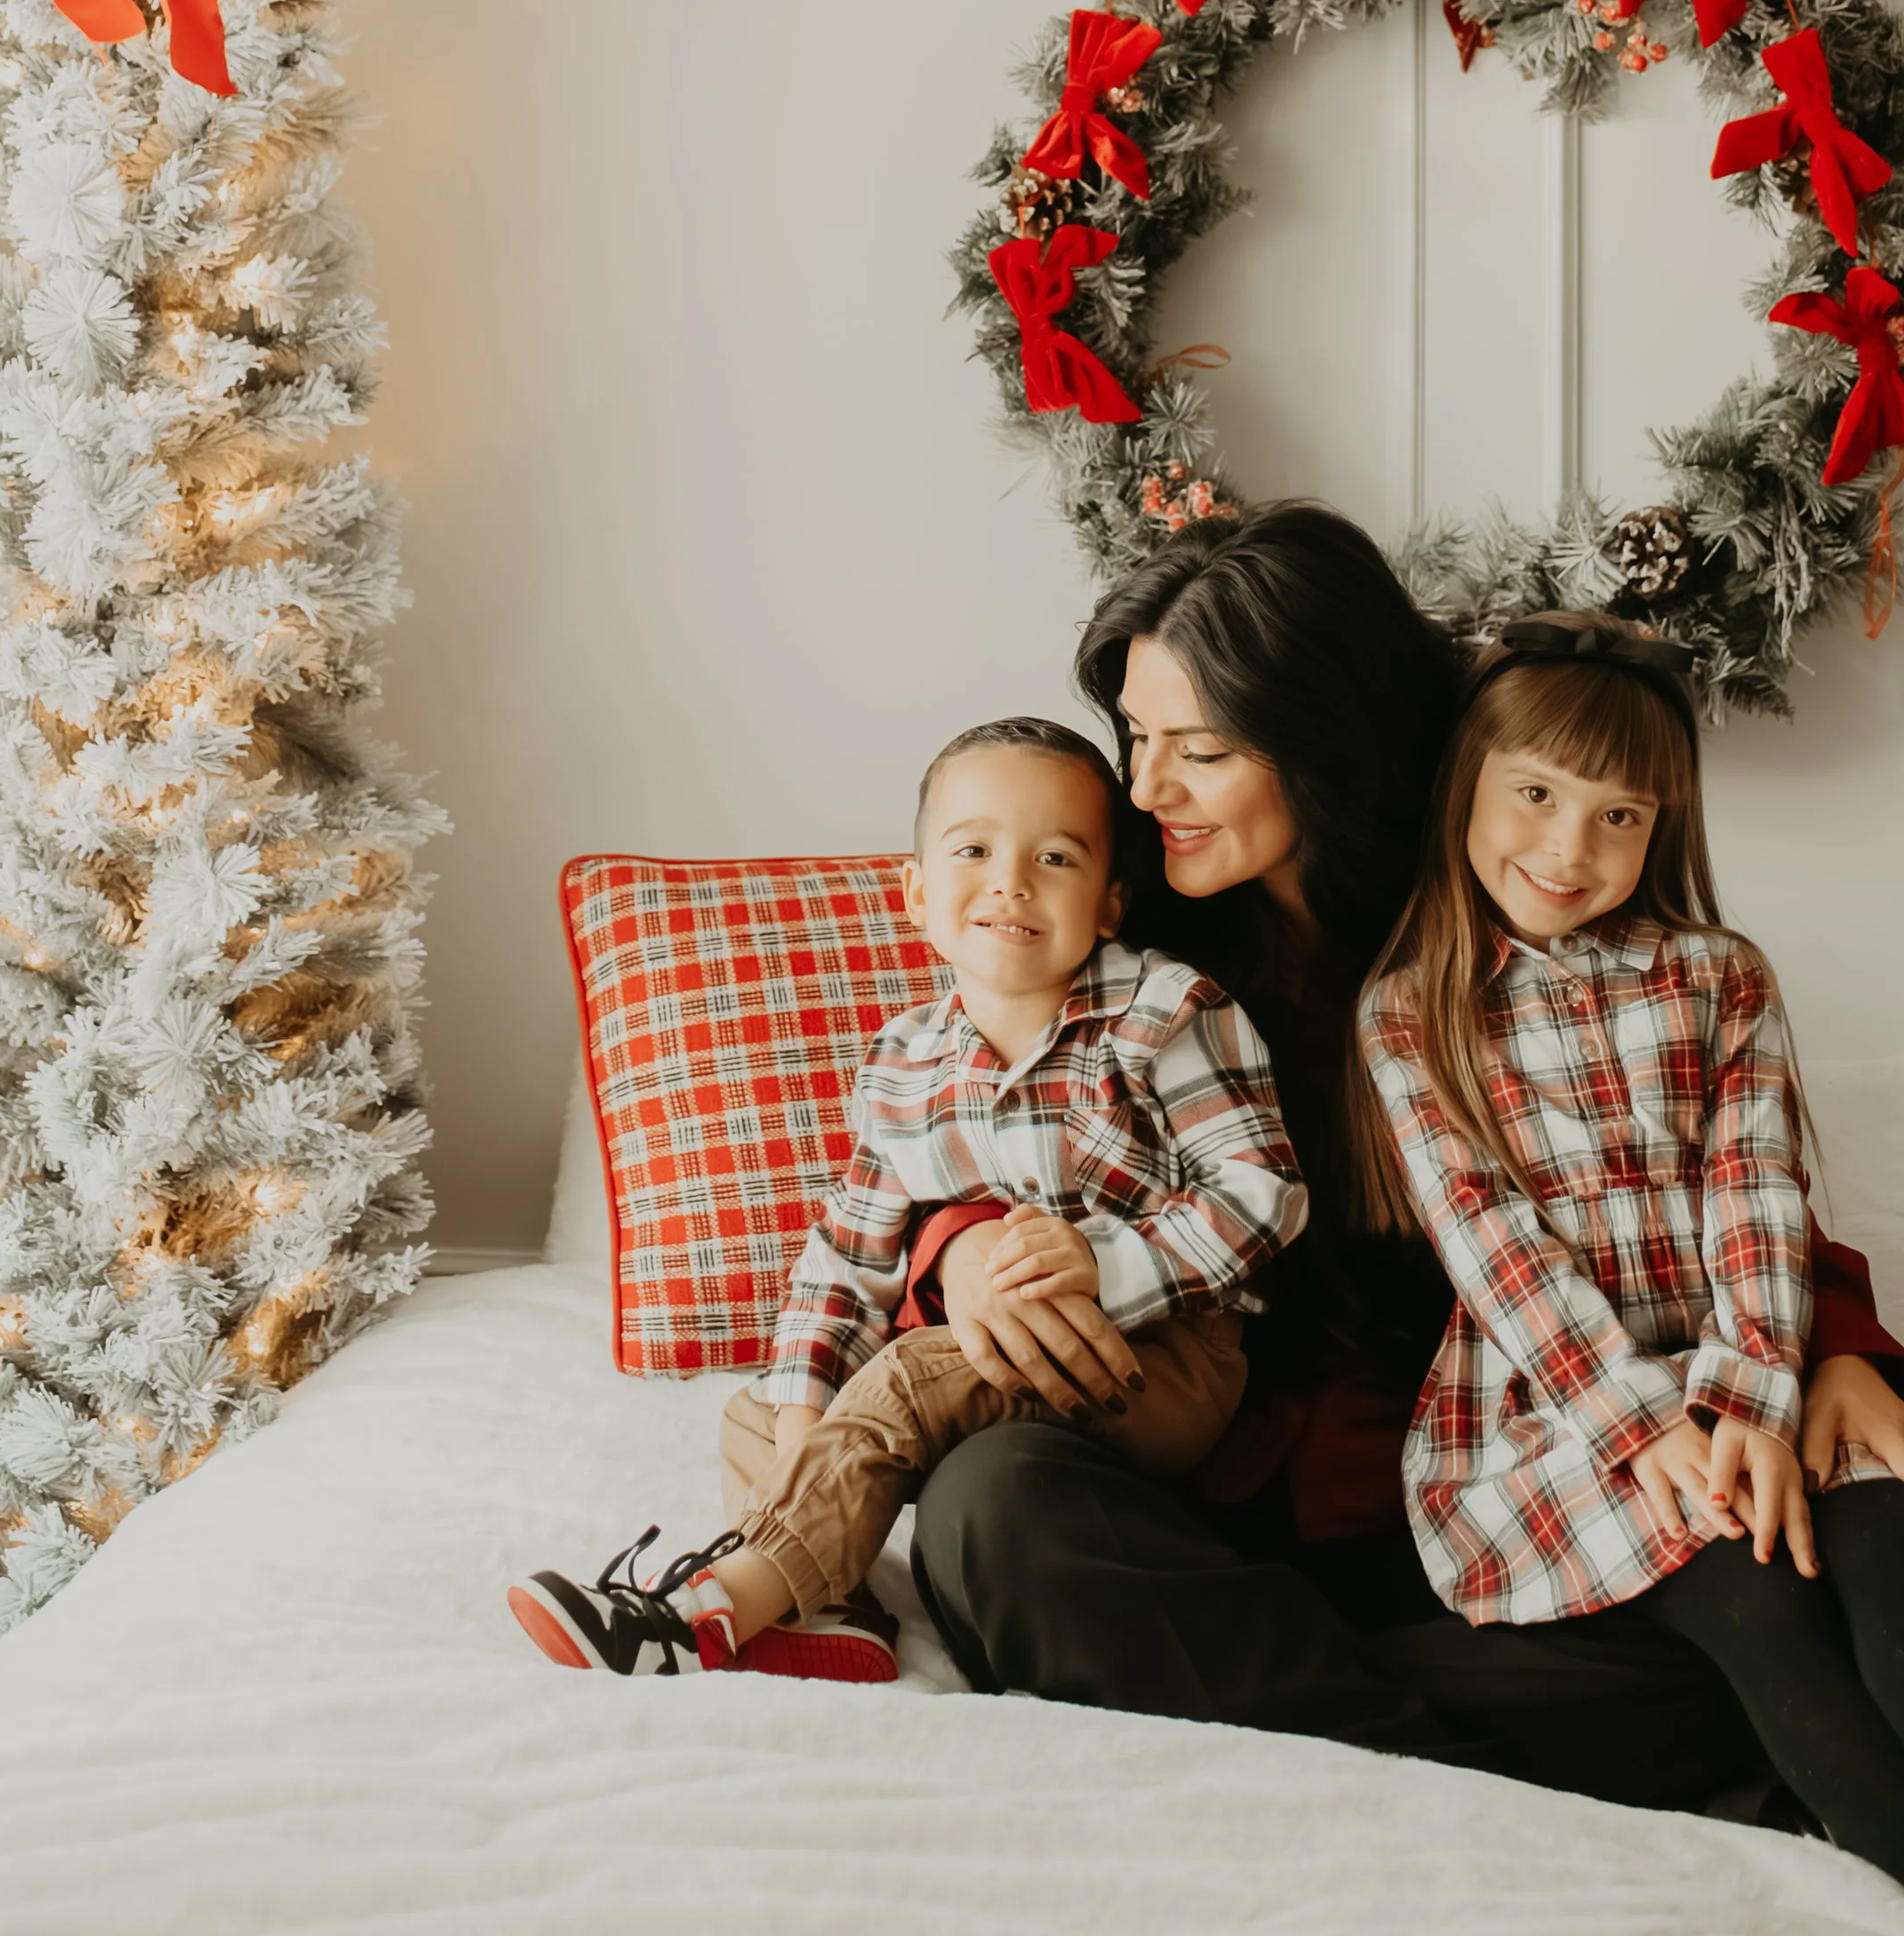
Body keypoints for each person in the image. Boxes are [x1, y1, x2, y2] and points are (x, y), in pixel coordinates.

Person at [908, 504, 1904, 1810]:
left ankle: (1326, 1739)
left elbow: (1704, 1154)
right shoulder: (1127, 942)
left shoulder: (1498, 900)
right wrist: (956, 1259)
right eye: (1137, 736)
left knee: (1771, 1584)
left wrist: (1840, 1345)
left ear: (1320, 739)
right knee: (991, 1509)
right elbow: (972, 1096)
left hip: (1509, 1483)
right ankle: (1450, 1767)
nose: (1143, 789)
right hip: (1231, 1495)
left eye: (1201, 749)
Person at [1358, 608, 1904, 1936]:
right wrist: (1664, 1433)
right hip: (1560, 1413)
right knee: (1751, 1578)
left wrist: (1748, 1404)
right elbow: (1498, 1254)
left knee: (1882, 1525)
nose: (1569, 848)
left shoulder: (1719, 977)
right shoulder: (1412, 1007)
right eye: (1534, 796)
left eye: (1619, 817)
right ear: (1464, 788)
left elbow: (1759, 1202)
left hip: (1743, 1366)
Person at [507, 715, 1305, 1684]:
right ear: (919, 895)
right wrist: (807, 1421)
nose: (1011, 880)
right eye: (973, 850)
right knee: (757, 1415)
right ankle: (838, 1611)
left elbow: (1263, 1193)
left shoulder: (1164, 1011)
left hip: (1161, 1358)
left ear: (1107, 903)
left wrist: (1105, 1262)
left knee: (919, 1370)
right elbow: (845, 1262)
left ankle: (702, 1613)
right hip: (993, 1360)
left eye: (1055, 856)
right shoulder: (903, 1064)